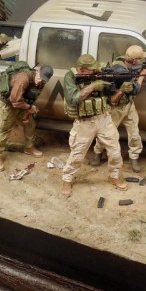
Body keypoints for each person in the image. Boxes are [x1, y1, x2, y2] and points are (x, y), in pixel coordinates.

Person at [61, 54, 128, 197]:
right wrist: (93, 86)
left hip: (104, 118)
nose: (95, 72)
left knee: (115, 150)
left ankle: (114, 176)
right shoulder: (70, 77)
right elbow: (73, 99)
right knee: (77, 153)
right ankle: (67, 179)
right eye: (91, 70)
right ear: (82, 70)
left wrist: (121, 90)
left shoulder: (99, 75)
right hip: (85, 123)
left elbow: (111, 101)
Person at [90, 45, 146, 173]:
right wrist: (142, 76)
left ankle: (134, 157)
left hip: (129, 105)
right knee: (106, 133)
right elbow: (135, 90)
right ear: (134, 60)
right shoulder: (121, 72)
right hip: (115, 108)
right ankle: (98, 153)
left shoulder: (124, 60)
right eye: (139, 59)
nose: (140, 61)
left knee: (134, 134)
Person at [0, 62, 54, 171]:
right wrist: (29, 107)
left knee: (30, 124)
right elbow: (14, 101)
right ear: (37, 71)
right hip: (8, 105)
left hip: (23, 103)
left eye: (44, 80)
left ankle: (29, 147)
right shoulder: (23, 79)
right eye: (40, 78)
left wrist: (30, 109)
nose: (40, 81)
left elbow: (32, 95)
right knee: (4, 130)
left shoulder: (41, 82)